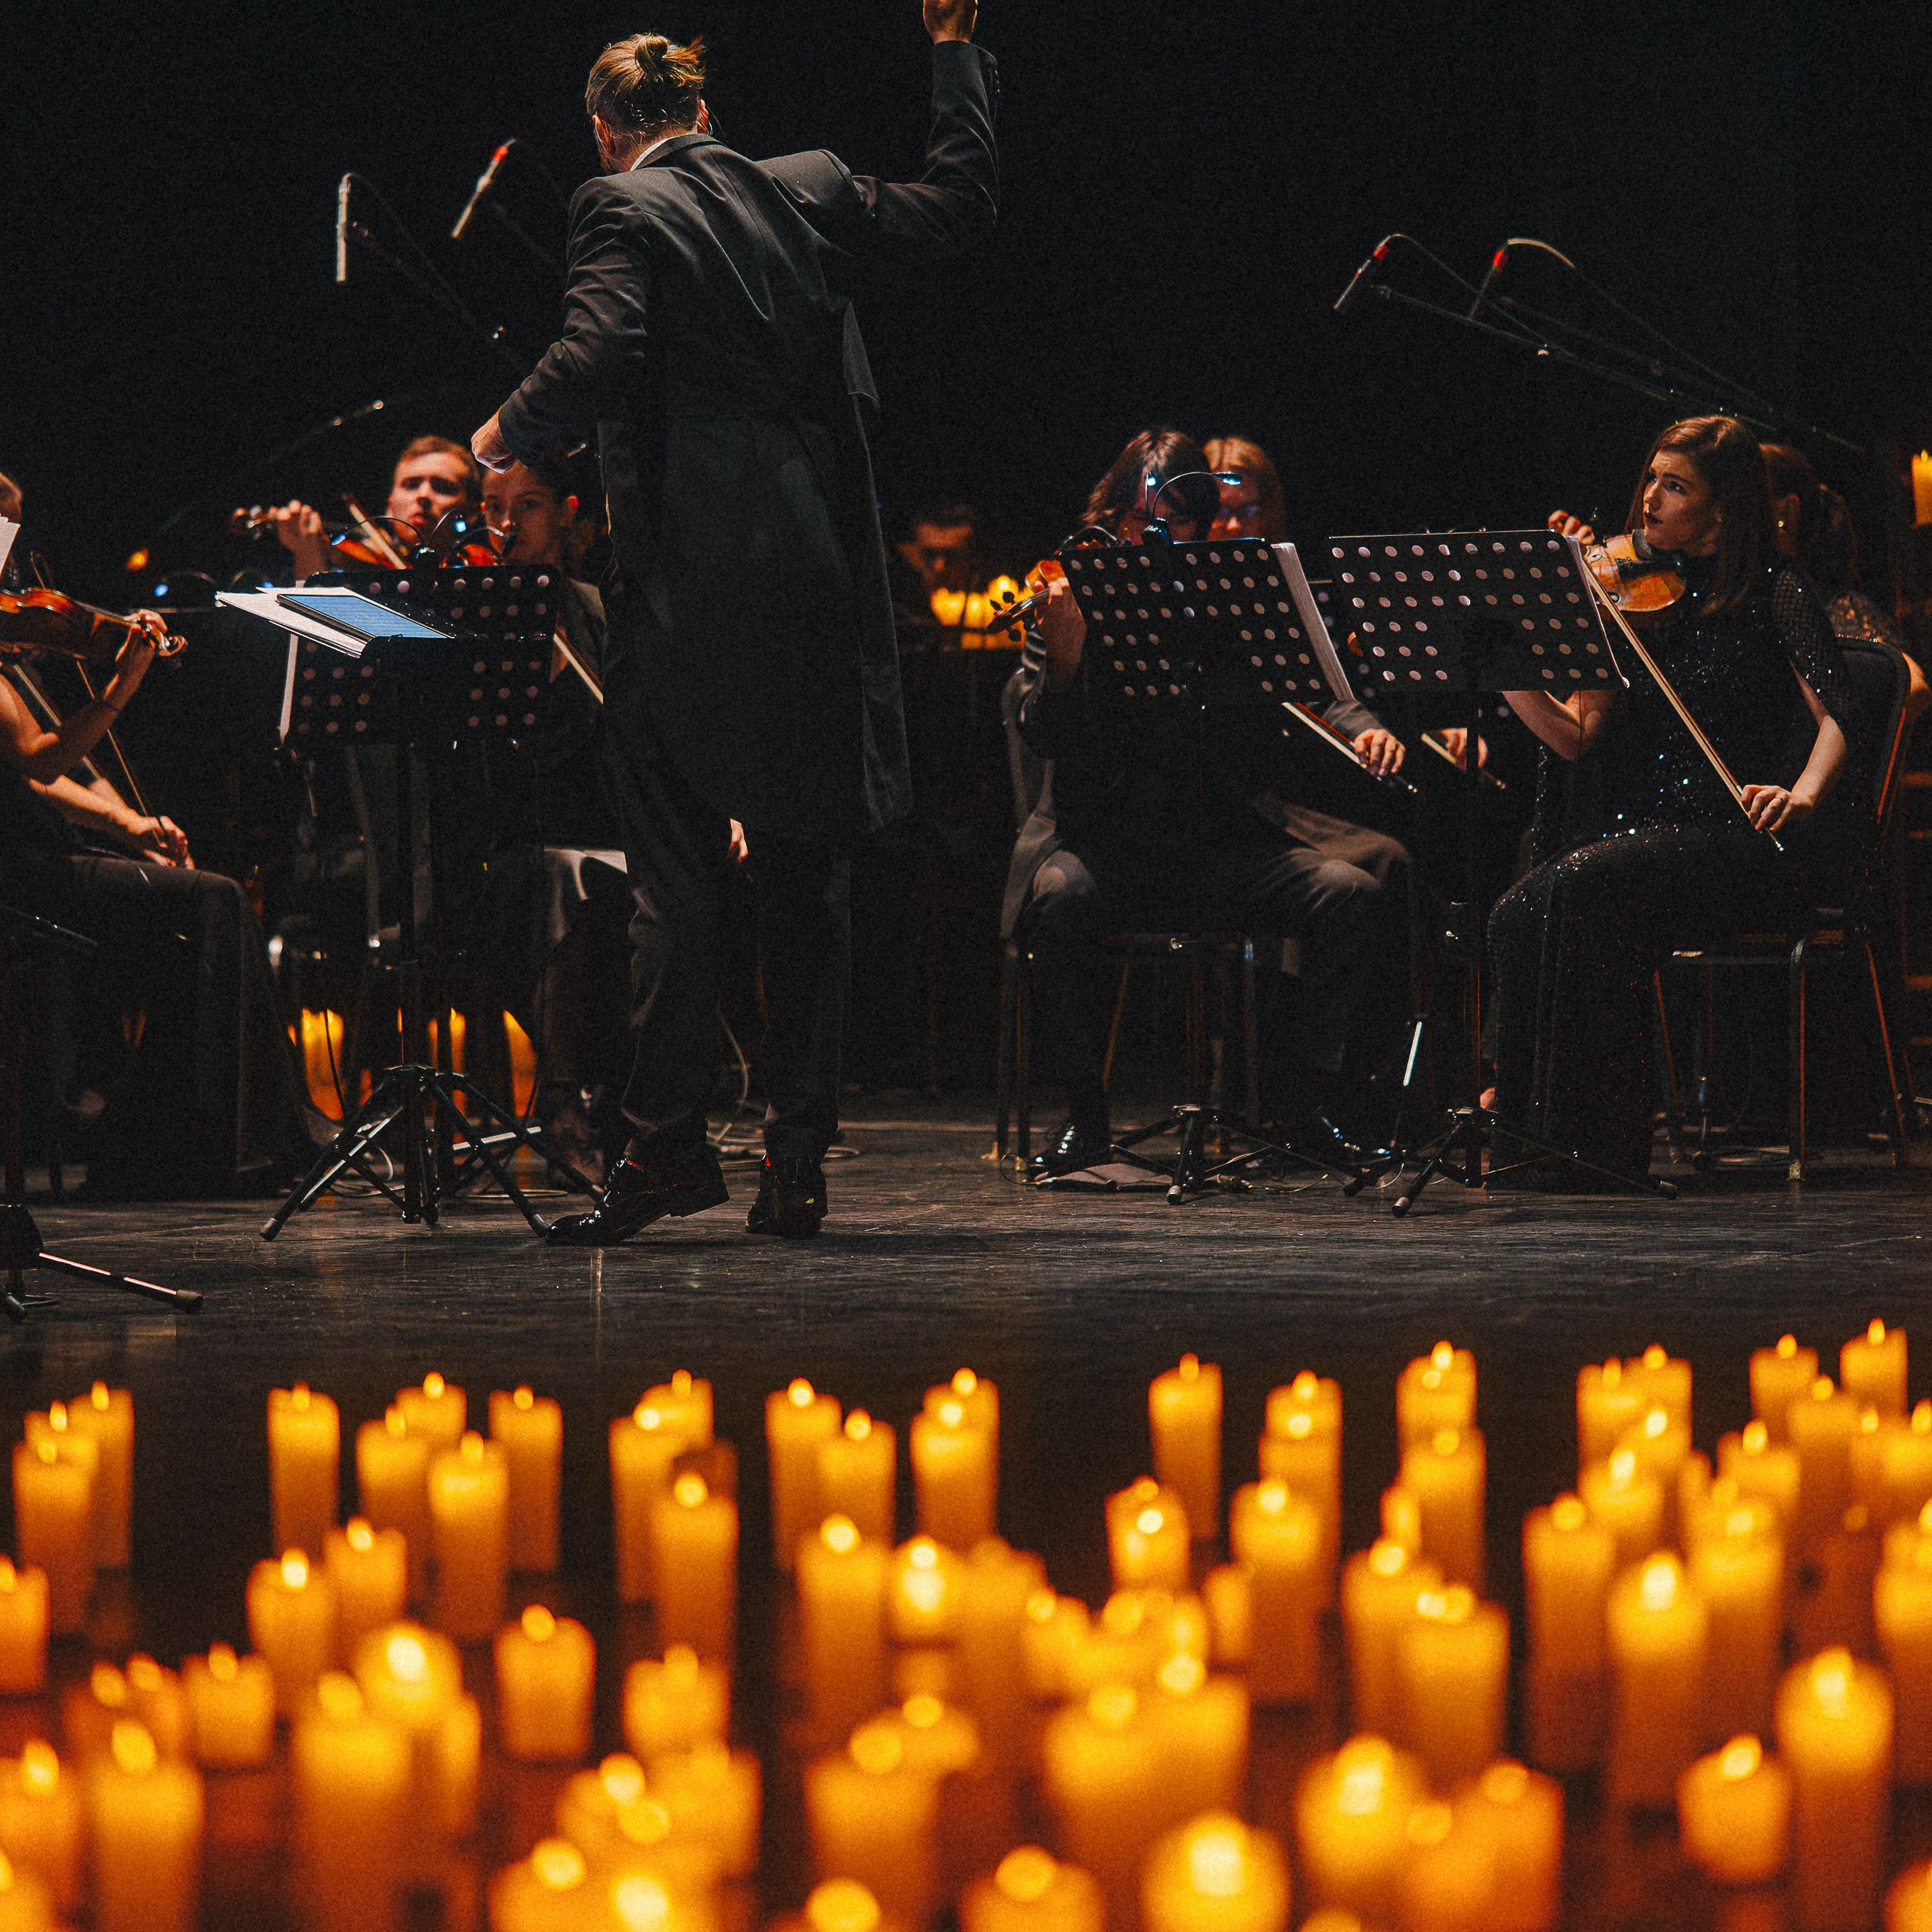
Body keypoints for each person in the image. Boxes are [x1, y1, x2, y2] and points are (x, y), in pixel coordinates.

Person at [472, 3, 998, 1241]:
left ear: (608, 133)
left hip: (690, 593)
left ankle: (662, 1153)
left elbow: (601, 347)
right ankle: (798, 1159)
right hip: (818, 578)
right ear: (705, 118)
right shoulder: (804, 187)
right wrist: (952, 49)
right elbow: (961, 204)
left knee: (675, 875)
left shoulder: (616, 205)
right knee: (807, 875)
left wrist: (502, 432)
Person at [1004, 429, 1412, 1178]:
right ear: (1110, 512)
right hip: (1104, 845)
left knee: (1350, 893)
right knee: (1059, 902)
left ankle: (1299, 1107)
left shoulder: (1226, 605)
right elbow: (1043, 734)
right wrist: (1063, 661)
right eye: (1133, 521)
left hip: (1213, 845)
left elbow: (1301, 698)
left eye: (1173, 524)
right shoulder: (1066, 591)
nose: (1149, 538)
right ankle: (1085, 1120)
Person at [1488, 415, 1848, 1186]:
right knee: (1521, 908)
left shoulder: (1774, 591)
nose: (1648, 498)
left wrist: (1803, 794)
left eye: (1674, 486)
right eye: (1650, 477)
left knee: (1565, 894)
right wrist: (1510, 671)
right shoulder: (1624, 591)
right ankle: (1540, 1143)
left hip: (1736, 836)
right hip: (1633, 837)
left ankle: (1599, 1147)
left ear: (1723, 509)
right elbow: (1577, 737)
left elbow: (1838, 719)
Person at [1, 591, 311, 1197]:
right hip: (19, 873)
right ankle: (200, 1145)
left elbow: (26, 775)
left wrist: (125, 825)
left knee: (200, 910)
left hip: (36, 859)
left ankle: (168, 1138)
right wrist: (121, 684)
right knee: (211, 900)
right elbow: (40, 763)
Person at [269, 435, 485, 580]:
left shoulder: (480, 566)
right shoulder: (361, 563)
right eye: (411, 485)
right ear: (390, 508)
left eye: (443, 487)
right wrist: (308, 555)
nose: (423, 495)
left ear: (472, 513)